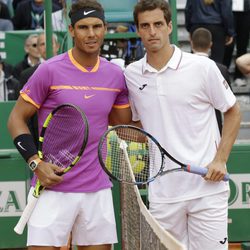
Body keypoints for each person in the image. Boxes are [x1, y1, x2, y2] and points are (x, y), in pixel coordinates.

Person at [8, 0, 131, 249]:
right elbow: (15, 120)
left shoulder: (116, 76)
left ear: (105, 28)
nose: (91, 33)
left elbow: (124, 125)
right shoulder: (48, 71)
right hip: (53, 187)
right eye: (83, 27)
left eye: (97, 26)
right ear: (72, 30)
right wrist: (36, 163)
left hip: (97, 189)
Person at [124, 1, 241, 250]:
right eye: (145, 26)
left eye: (158, 24)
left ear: (169, 26)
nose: (152, 31)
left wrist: (220, 159)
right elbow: (138, 127)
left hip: (206, 191)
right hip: (163, 195)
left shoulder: (202, 67)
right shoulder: (132, 76)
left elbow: (232, 111)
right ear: (138, 30)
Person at [190, 27, 232, 134]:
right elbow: (229, 104)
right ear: (211, 44)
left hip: (188, 131)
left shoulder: (180, 69)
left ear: (191, 42)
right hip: (215, 132)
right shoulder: (221, 69)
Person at [223, 0, 250, 87]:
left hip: (246, 12)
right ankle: (224, 74)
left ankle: (239, 76)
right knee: (228, 45)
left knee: (242, 45)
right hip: (230, 11)